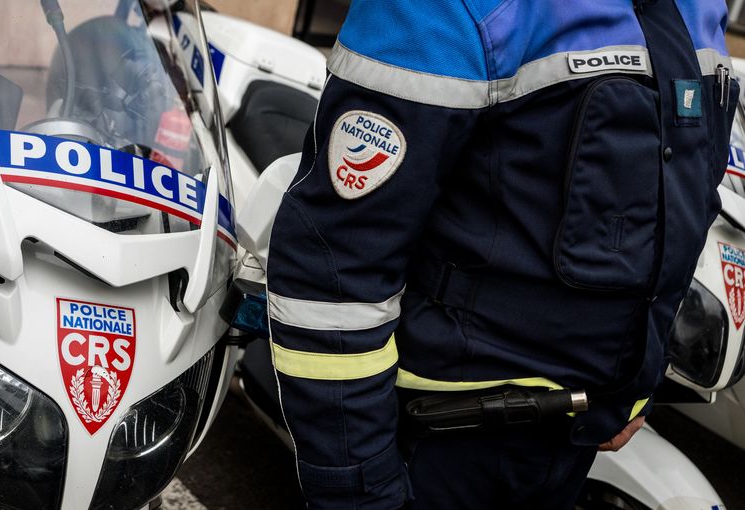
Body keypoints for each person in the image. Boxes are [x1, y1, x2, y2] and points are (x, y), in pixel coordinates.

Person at [265, 1, 739, 509]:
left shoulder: (697, 6)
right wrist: (359, 489)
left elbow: (679, 205)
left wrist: (632, 387)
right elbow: (334, 271)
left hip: (577, 439)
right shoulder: (446, 9)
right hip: (440, 443)